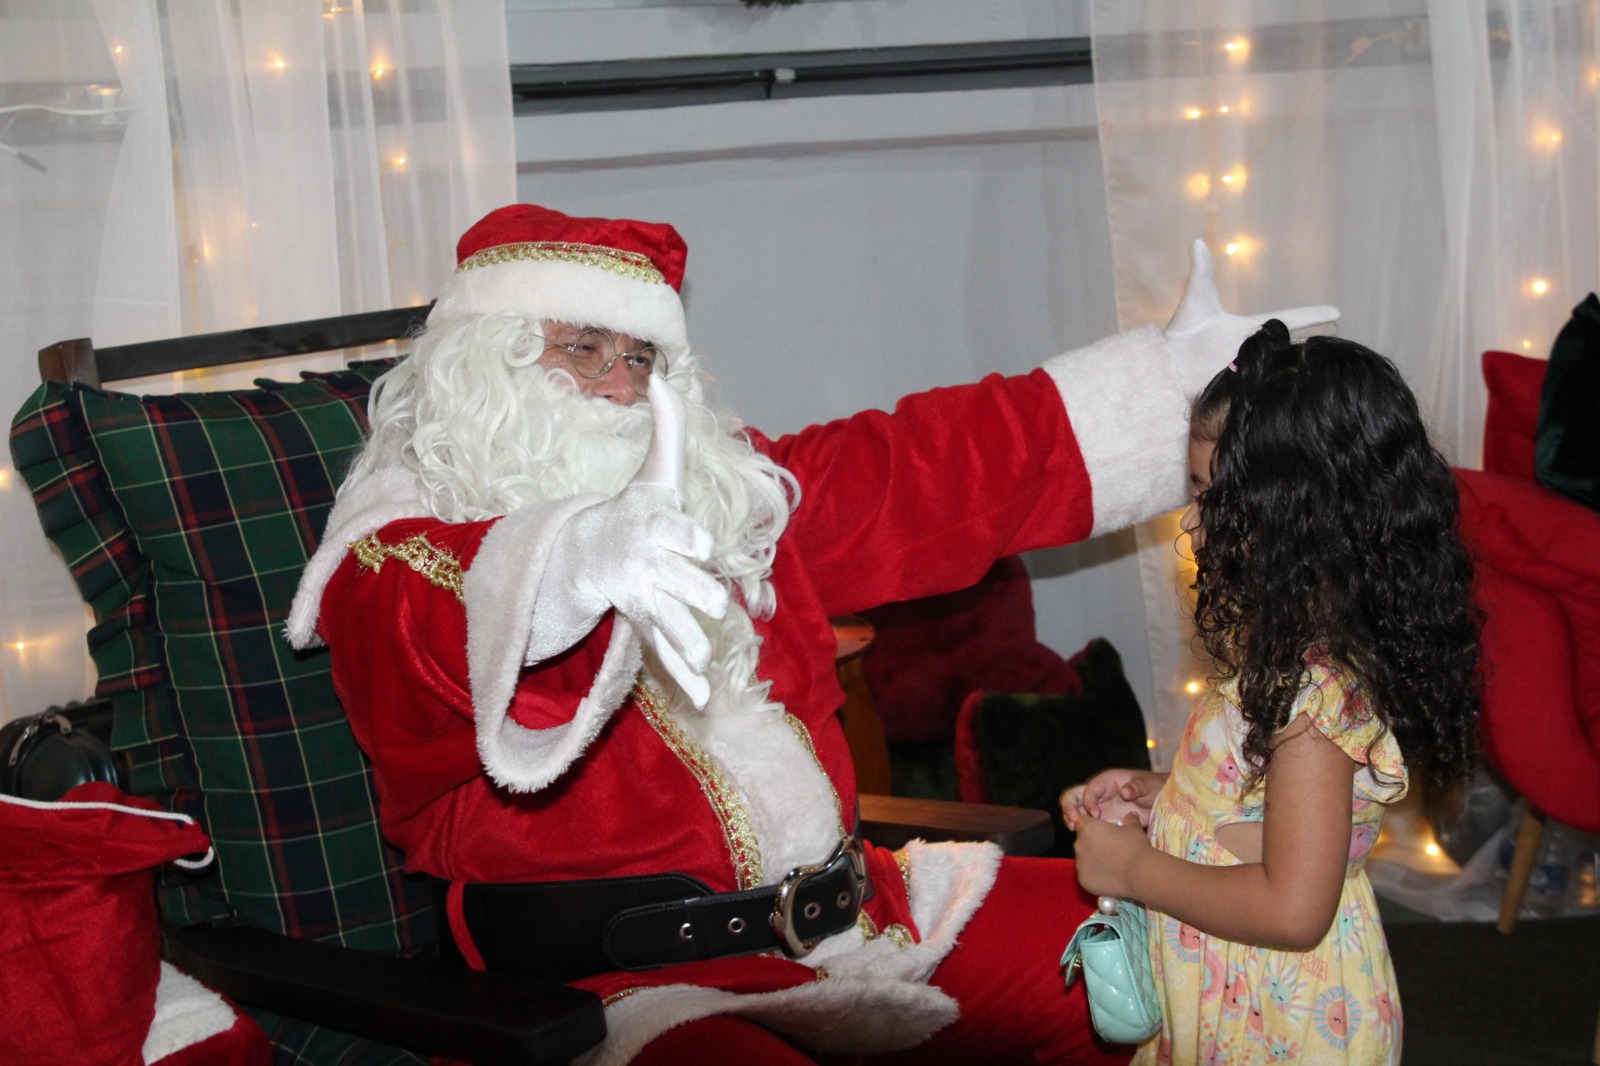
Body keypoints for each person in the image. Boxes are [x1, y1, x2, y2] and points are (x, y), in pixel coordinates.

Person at [286, 203, 1335, 1065]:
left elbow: (926, 468)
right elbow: (437, 624)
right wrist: (576, 561)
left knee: (1202, 959)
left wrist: (1174, 389)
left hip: (863, 924)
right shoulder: (396, 553)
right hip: (631, 984)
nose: (618, 382)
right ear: (486, 364)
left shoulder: (726, 490)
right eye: (579, 347)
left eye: (641, 353)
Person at [1062, 321, 1482, 1065]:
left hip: (1278, 1017)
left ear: (1304, 520)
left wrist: (1130, 869)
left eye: (1215, 501)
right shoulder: (1293, 647)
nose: (1192, 522)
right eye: (1194, 493)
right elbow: (1273, 807)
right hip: (1233, 984)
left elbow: (1293, 909)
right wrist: (1167, 797)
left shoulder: (1315, 700)